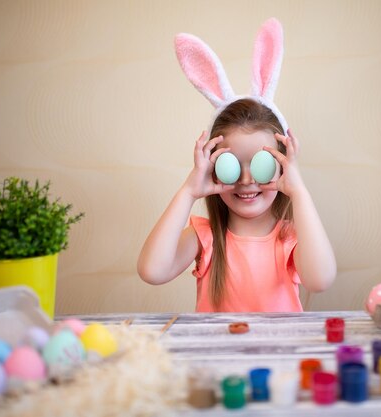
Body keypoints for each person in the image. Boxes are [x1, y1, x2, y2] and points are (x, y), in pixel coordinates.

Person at [137, 19, 336, 312]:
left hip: (280, 358)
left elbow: (321, 280)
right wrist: (188, 192)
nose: (245, 180)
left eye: (261, 164)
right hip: (217, 359)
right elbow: (151, 271)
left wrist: (299, 192)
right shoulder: (205, 237)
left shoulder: (291, 236)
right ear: (213, 166)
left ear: (281, 166)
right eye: (231, 164)